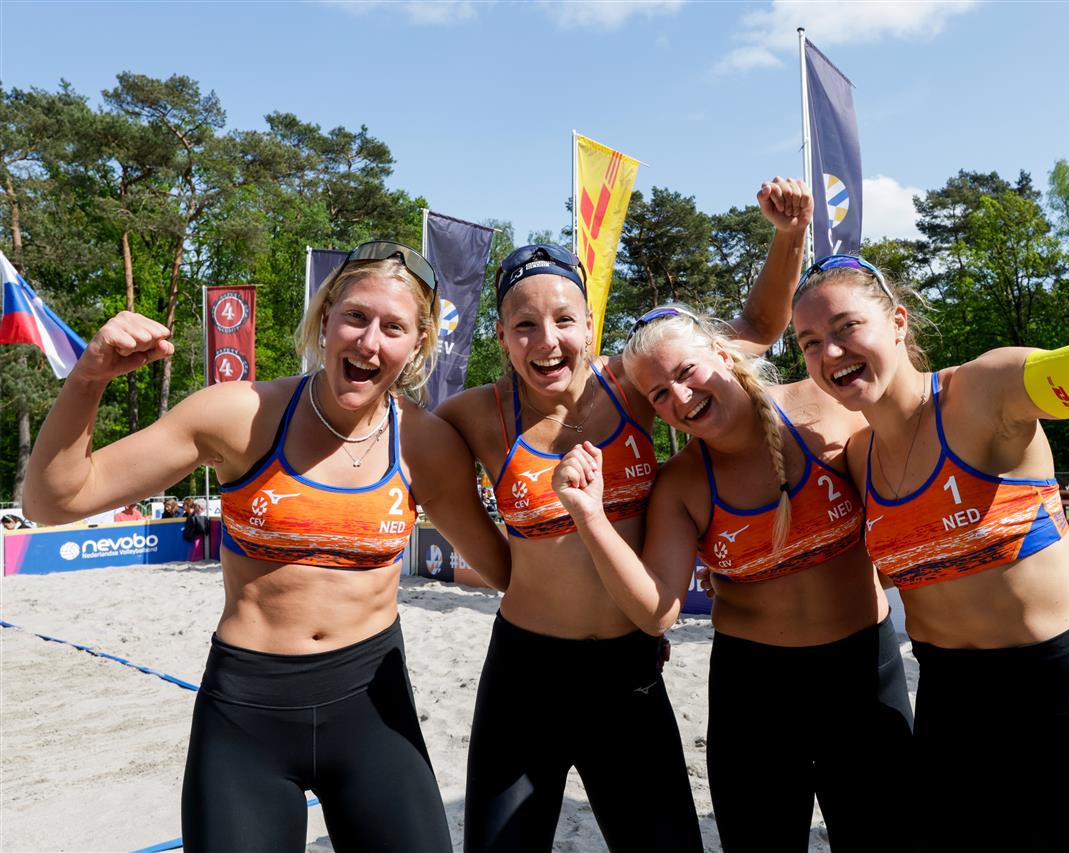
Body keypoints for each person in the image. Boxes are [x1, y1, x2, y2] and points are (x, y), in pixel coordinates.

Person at [787, 69, 1069, 851]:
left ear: (897, 322)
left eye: (845, 327)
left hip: (1064, 702)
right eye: (808, 343)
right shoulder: (854, 458)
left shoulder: (989, 392)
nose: (829, 352)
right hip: (953, 719)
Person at [24, 240, 509, 852]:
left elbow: (505, 572)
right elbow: (54, 501)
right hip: (247, 713)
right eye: (356, 316)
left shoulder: (426, 444)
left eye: (393, 328)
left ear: (417, 345)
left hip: (372, 707)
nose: (369, 342)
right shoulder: (241, 415)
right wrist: (89, 377)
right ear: (325, 318)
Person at [437, 178, 811, 853]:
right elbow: (387, 442)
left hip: (627, 675)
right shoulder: (474, 417)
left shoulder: (635, 385)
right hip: (524, 676)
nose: (546, 340)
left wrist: (789, 237)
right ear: (500, 336)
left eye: (563, 320)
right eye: (524, 325)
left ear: (590, 325)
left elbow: (756, 330)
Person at [552, 306, 913, 851]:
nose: (680, 397)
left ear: (723, 354)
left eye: (686, 372)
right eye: (659, 395)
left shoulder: (827, 410)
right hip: (755, 699)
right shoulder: (683, 484)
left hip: (864, 675)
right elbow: (656, 611)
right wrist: (589, 516)